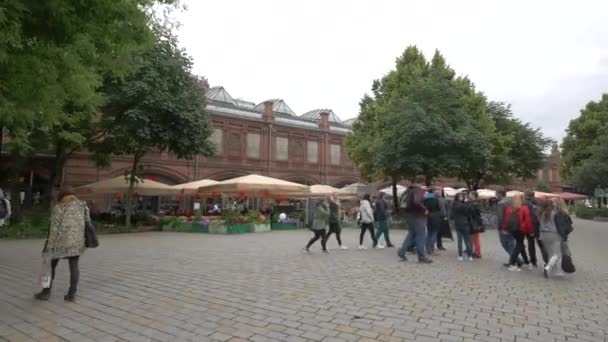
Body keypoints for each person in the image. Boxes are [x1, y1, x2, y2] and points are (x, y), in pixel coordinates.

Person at [35, 187, 91, 302]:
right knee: (74, 267)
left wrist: (49, 247)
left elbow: (54, 229)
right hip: (76, 242)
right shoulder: (83, 206)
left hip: (59, 242)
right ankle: (71, 295)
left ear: (61, 196)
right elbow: (88, 222)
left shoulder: (59, 207)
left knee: (48, 266)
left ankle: (45, 292)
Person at [398, 185, 432, 263]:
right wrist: (424, 209)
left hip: (409, 216)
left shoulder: (407, 191)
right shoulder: (418, 190)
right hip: (418, 216)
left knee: (411, 234)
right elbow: (416, 201)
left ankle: (402, 252)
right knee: (421, 236)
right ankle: (422, 256)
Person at [541, 198, 574, 278]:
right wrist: (564, 237)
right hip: (554, 235)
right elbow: (562, 227)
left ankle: (555, 272)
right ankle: (548, 267)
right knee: (557, 254)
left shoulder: (544, 213)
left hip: (544, 235)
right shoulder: (558, 214)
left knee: (550, 254)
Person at [503, 194, 534, 271]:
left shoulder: (509, 208)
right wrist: (531, 231)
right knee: (519, 246)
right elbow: (528, 221)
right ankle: (512, 263)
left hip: (512, 230)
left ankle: (527, 262)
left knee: (521, 245)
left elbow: (506, 220)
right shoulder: (524, 208)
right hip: (521, 230)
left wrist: (504, 229)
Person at [524, 191, 547, 267]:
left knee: (531, 244)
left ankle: (533, 260)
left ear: (526, 195)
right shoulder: (539, 203)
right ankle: (546, 260)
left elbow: (531, 217)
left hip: (530, 226)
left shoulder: (526, 204)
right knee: (541, 244)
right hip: (538, 226)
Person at [496, 189, 518, 266]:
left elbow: (500, 217)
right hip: (513, 226)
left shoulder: (501, 203)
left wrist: (499, 227)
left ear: (499, 194)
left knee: (504, 244)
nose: (496, 196)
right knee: (511, 244)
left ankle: (515, 260)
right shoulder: (511, 201)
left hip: (504, 227)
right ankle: (514, 260)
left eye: (496, 194)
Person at [451, 193, 473, 261]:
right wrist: (467, 203)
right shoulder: (464, 205)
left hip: (457, 223)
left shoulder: (454, 204)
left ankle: (460, 256)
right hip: (465, 223)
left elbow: (452, 215)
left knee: (459, 241)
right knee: (467, 240)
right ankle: (470, 256)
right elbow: (468, 212)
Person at [423, 188, 442, 256]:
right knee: (434, 233)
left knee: (429, 233)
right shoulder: (436, 200)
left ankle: (427, 249)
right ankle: (431, 249)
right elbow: (439, 208)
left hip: (428, 216)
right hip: (435, 217)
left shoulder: (425, 200)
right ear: (433, 192)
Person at [468, 191, 483, 258]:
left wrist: (479, 225)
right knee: (473, 238)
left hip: (474, 223)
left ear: (473, 196)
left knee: (475, 239)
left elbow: (477, 215)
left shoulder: (475, 204)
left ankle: (478, 253)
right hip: (473, 222)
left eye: (470, 195)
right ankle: (476, 251)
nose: (469, 196)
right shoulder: (473, 203)